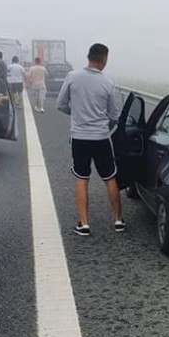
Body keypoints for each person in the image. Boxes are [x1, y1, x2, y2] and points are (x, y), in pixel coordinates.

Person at [56, 43, 126, 236]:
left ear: (88, 57)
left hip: (79, 137)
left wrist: (77, 114)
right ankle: (118, 220)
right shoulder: (108, 82)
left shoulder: (72, 77)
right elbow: (114, 115)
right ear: (104, 59)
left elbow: (60, 104)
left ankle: (84, 223)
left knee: (81, 178)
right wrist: (105, 126)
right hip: (101, 137)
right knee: (109, 177)